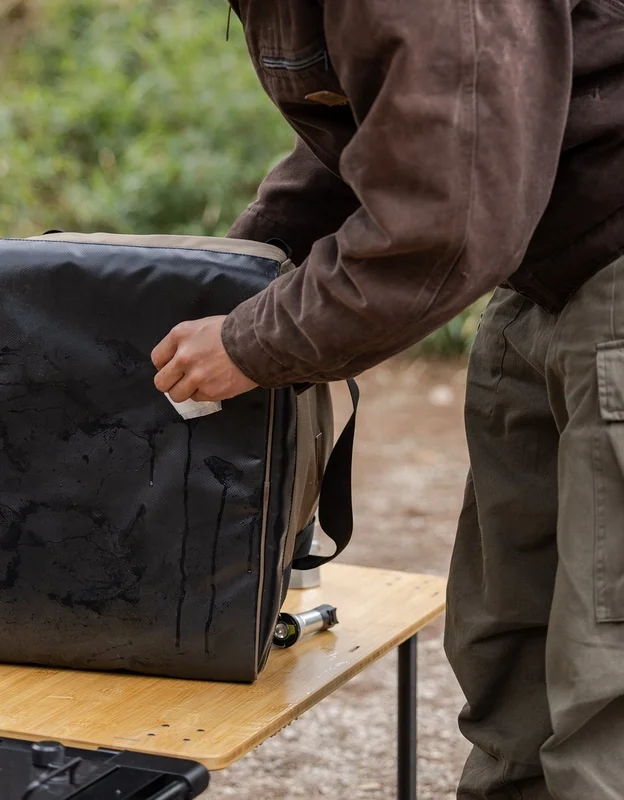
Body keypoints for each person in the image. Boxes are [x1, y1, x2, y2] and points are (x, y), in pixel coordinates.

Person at [151, 2, 624, 798]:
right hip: (539, 266)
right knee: (509, 643)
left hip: (584, 244)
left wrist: (250, 342)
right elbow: (384, 136)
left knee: (605, 670)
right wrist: (234, 278)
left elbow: (443, 220)